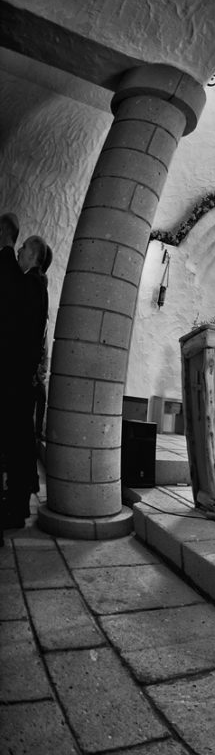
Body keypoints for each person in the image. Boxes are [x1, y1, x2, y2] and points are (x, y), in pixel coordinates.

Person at [2, 219, 52, 531]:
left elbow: (9, 284)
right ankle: (17, 505)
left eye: (22, 250)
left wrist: (7, 245)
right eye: (18, 249)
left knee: (18, 442)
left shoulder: (31, 285)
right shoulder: (34, 286)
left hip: (18, 383)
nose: (19, 254)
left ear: (33, 258)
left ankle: (17, 504)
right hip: (21, 381)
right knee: (17, 442)